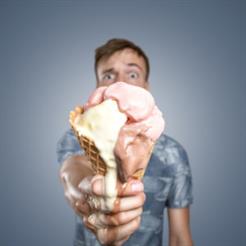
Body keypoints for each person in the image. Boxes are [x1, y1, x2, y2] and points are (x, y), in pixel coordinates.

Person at [57, 38, 194, 246]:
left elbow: (180, 237)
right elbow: (72, 171)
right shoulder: (75, 137)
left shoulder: (173, 153)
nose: (120, 82)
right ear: (98, 86)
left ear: (146, 87)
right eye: (108, 75)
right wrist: (90, 197)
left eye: (132, 74)